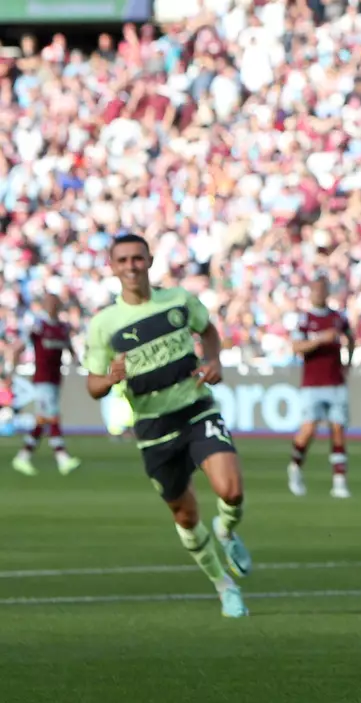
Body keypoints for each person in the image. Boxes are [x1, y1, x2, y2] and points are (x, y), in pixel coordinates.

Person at [83, 234, 254, 618]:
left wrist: (213, 361)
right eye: (123, 260)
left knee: (232, 489)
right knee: (186, 517)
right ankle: (224, 587)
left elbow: (208, 330)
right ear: (112, 267)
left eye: (138, 259)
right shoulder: (104, 325)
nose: (131, 266)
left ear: (149, 261)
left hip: (195, 408)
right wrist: (109, 379)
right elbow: (92, 384)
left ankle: (226, 530)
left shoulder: (177, 300)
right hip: (152, 427)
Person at [288, 278, 354, 499]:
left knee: (338, 430)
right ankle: (295, 467)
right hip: (312, 384)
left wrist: (348, 363)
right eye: (316, 290)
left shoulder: (338, 317)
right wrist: (319, 340)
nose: (319, 293)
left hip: (336, 381)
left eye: (322, 290)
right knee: (308, 430)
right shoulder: (305, 320)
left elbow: (350, 337)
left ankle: (339, 481)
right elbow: (297, 347)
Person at [11, 293, 81, 476]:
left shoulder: (63, 328)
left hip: (56, 378)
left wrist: (78, 362)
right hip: (42, 380)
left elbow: (70, 350)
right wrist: (12, 368)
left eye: (54, 302)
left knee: (42, 419)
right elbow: (19, 346)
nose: (50, 306)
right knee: (53, 415)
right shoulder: (38, 326)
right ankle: (62, 457)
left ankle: (23, 456)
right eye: (48, 302)